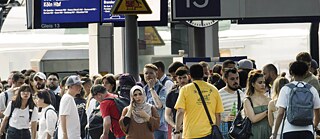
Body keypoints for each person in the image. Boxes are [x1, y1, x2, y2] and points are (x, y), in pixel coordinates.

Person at [271, 61, 320, 139]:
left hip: (289, 130)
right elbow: (317, 111)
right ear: (306, 72)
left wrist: (275, 133)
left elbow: (280, 113)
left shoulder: (286, 89)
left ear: (291, 72)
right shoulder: (312, 89)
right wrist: (314, 126)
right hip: (307, 130)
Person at [174, 64, 224, 139]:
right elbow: (218, 114)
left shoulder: (185, 89)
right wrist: (216, 129)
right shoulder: (214, 89)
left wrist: (177, 131)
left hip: (191, 133)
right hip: (209, 133)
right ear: (203, 74)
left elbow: (180, 111)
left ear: (190, 76)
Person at [243, 70, 271, 139]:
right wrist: (267, 112)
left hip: (268, 131)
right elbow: (253, 119)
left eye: (264, 82)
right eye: (260, 82)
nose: (263, 85)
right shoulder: (248, 100)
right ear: (253, 84)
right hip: (254, 133)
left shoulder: (269, 99)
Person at [218, 68, 245, 139]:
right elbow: (214, 113)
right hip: (224, 128)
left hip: (238, 129)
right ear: (225, 80)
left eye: (237, 78)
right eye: (232, 79)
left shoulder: (241, 94)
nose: (235, 81)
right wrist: (224, 118)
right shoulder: (219, 94)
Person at [143, 64, 168, 139]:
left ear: (156, 74)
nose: (148, 75)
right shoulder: (144, 89)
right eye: (146, 73)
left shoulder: (162, 89)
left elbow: (159, 105)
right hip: (147, 127)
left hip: (159, 129)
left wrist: (152, 89)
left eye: (151, 73)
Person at [165, 67, 189, 138]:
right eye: (180, 78)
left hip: (191, 128)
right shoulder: (171, 94)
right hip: (177, 131)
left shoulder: (194, 92)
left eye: (184, 77)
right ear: (176, 79)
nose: (182, 80)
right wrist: (175, 126)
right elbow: (167, 115)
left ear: (188, 77)